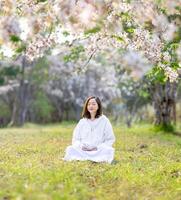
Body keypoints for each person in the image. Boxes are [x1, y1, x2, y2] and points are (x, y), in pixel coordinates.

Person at [63, 96, 115, 164]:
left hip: (98, 150)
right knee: (70, 149)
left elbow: (110, 139)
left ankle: (89, 157)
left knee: (108, 150)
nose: (91, 106)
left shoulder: (104, 120)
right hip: (83, 150)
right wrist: (82, 146)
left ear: (98, 106)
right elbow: (75, 139)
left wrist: (97, 148)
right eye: (89, 104)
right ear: (86, 106)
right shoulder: (82, 121)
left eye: (93, 104)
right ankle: (94, 158)